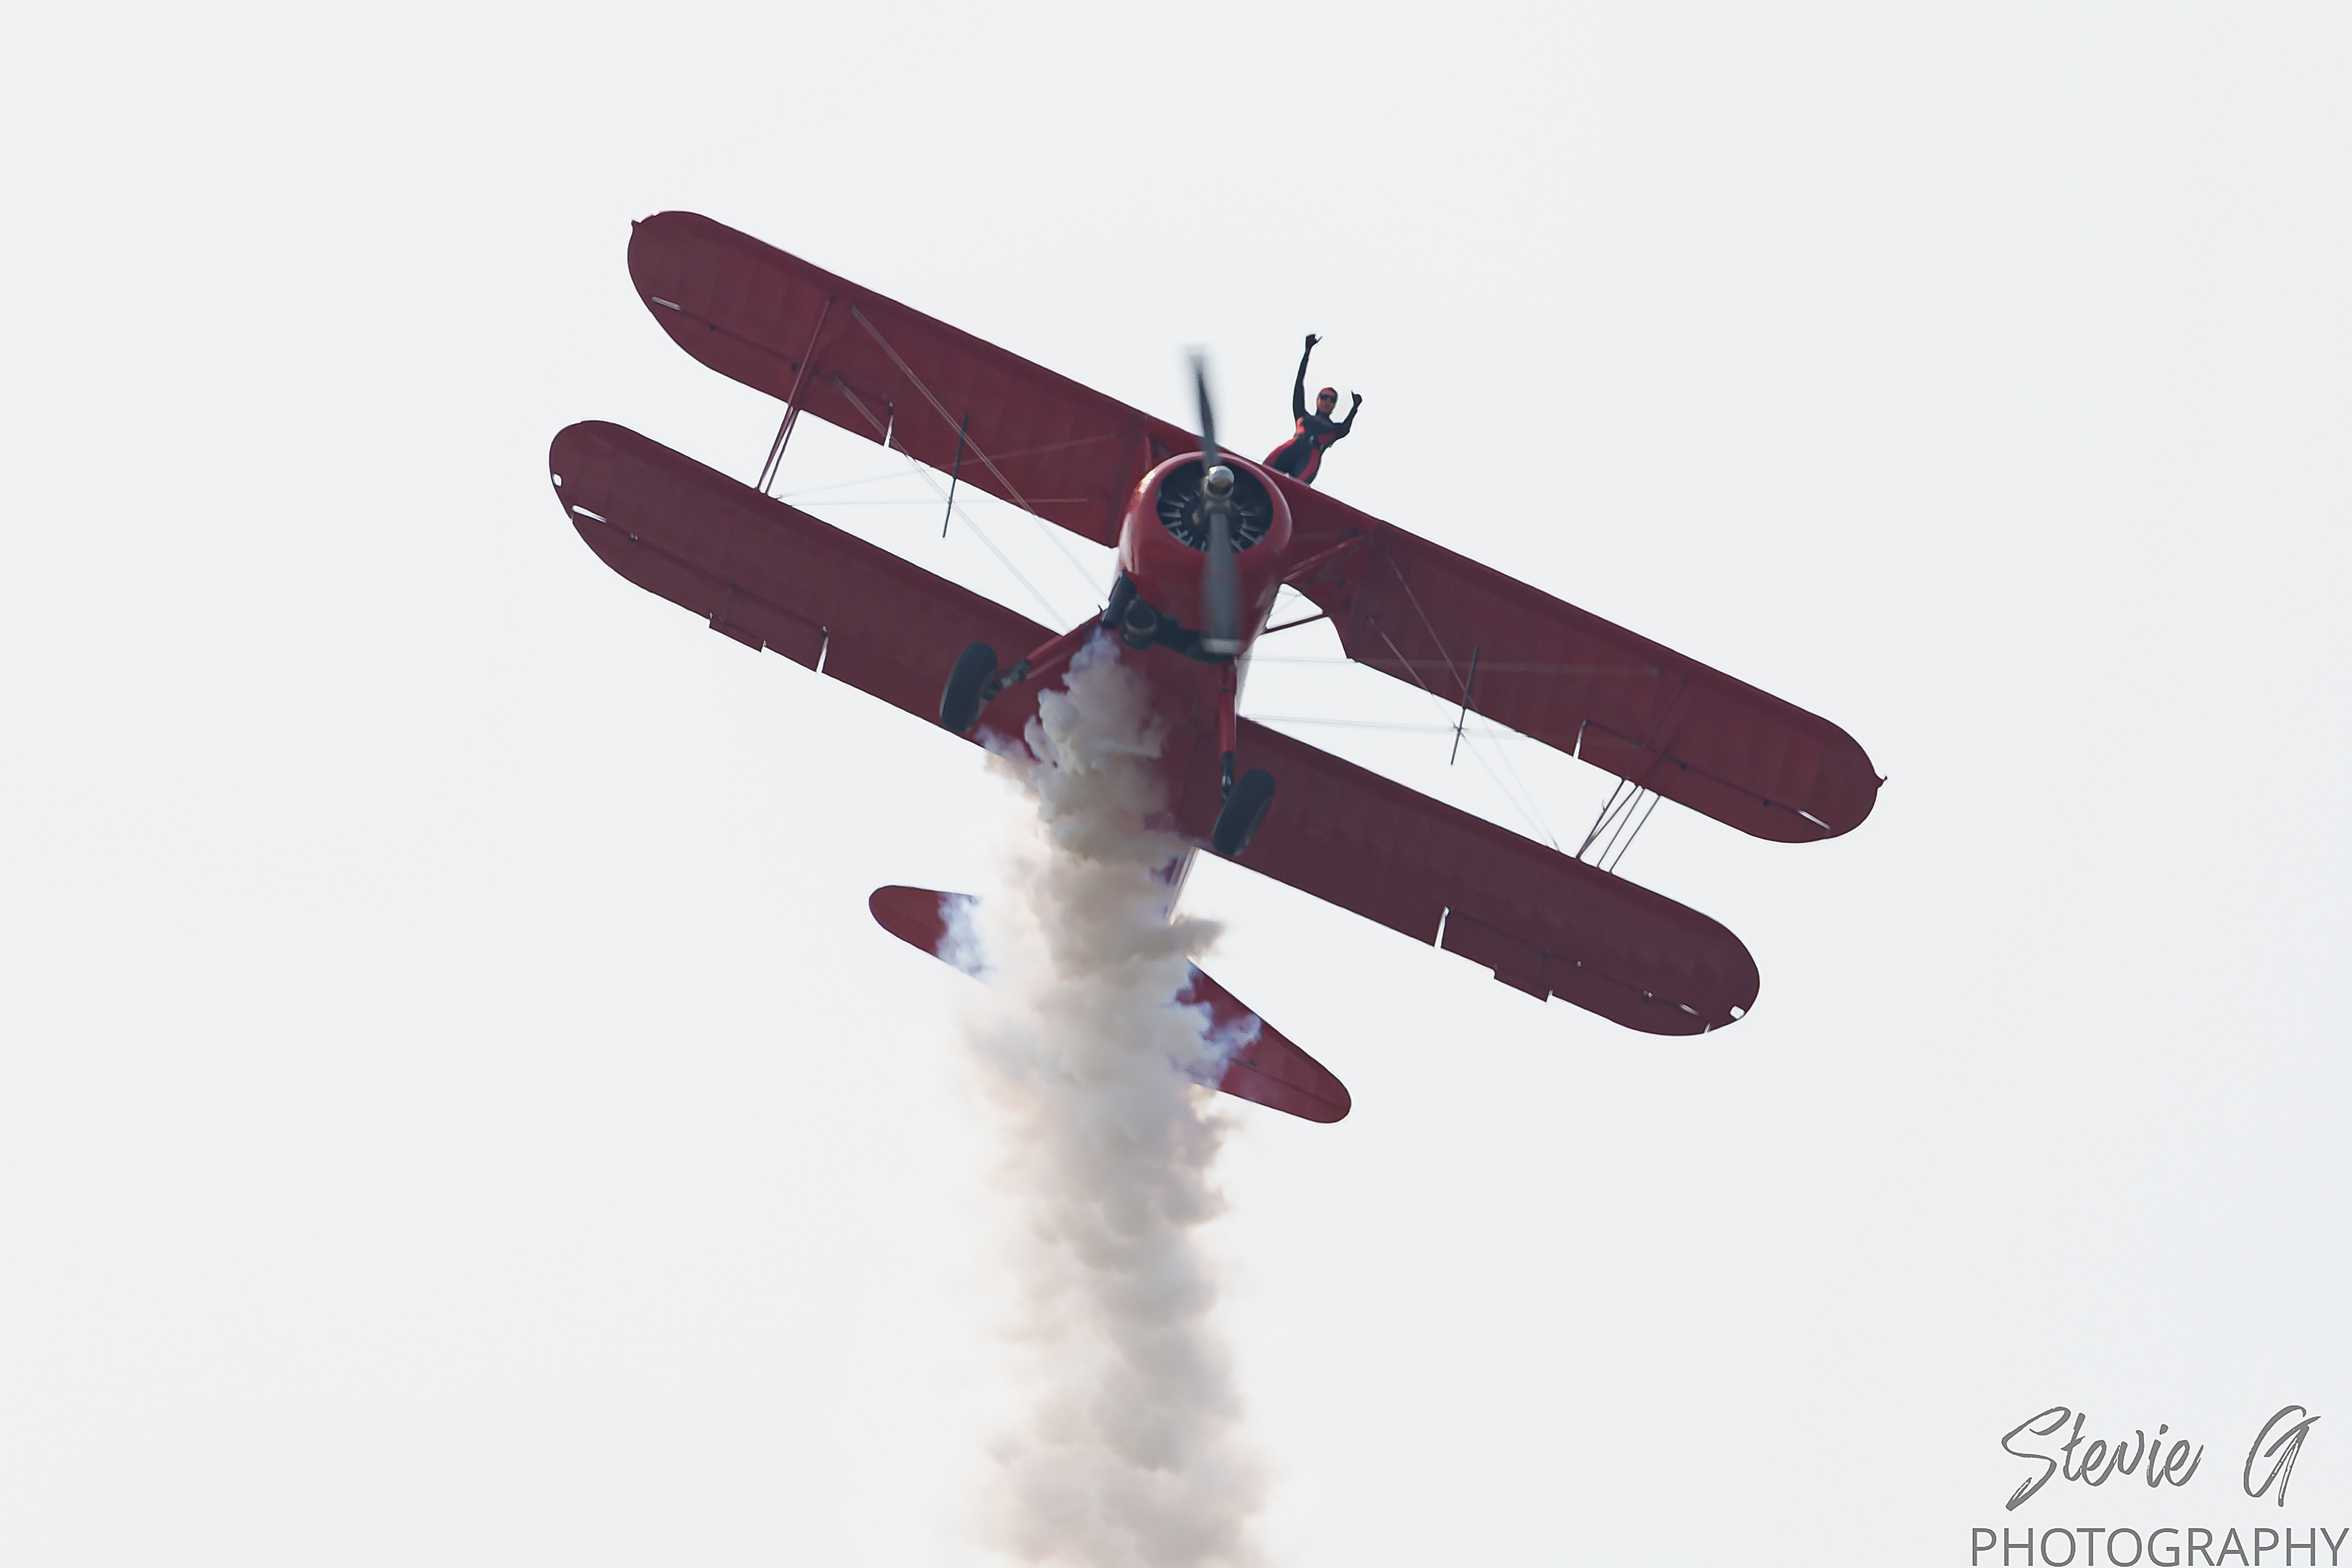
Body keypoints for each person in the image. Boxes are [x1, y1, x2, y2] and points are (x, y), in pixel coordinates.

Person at [1263, 334, 1361, 486]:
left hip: (1309, 459)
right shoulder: (1302, 415)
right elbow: (1299, 383)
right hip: (1290, 449)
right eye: (1324, 397)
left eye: (1332, 399)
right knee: (1265, 470)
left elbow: (1346, 428)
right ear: (1318, 399)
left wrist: (1354, 408)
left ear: (1335, 405)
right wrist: (1307, 352)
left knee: (1298, 486)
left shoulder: (1335, 429)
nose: (1328, 401)